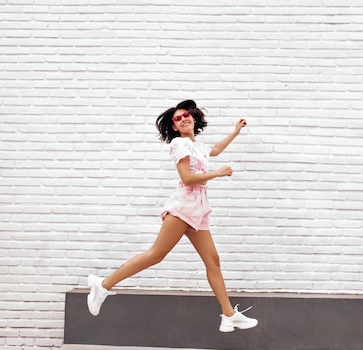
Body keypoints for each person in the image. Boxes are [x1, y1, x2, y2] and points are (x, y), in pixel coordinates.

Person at [87, 99, 258, 333]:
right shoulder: (179, 144)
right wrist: (217, 173)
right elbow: (187, 178)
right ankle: (103, 284)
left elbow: (215, 149)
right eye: (177, 118)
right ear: (175, 127)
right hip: (184, 205)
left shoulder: (198, 145)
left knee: (213, 261)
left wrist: (235, 132)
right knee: (156, 254)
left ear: (194, 117)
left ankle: (229, 315)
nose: (183, 118)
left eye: (186, 114)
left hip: (198, 208)